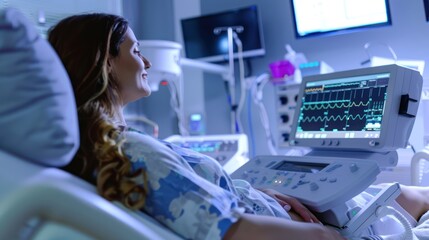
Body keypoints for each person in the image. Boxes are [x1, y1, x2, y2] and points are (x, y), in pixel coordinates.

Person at [47, 13, 429, 240]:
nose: (146, 62)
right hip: (313, 229)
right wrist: (329, 235)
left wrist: (249, 189)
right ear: (106, 63)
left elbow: (209, 206)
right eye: (134, 51)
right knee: (413, 195)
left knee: (404, 192)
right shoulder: (134, 153)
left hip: (282, 210)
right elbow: (234, 231)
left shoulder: (110, 148)